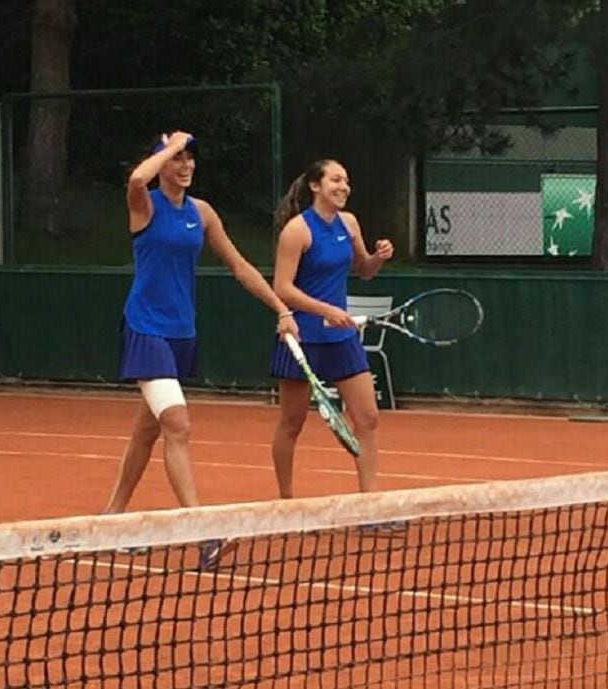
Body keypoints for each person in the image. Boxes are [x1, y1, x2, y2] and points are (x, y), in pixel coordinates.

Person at [103, 130, 299, 568]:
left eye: (191, 159)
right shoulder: (145, 204)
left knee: (148, 430)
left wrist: (280, 307)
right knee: (177, 424)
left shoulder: (202, 213)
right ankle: (202, 531)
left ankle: (110, 520)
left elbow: (238, 265)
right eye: (178, 159)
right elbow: (136, 180)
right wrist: (169, 146)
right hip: (145, 328)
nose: (186, 165)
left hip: (180, 331)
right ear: (163, 163)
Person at [269, 159, 394, 502]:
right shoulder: (297, 230)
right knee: (291, 423)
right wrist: (325, 310)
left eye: (346, 181)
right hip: (302, 337)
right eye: (336, 180)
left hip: (341, 338)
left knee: (367, 418)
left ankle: (369, 506)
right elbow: (282, 287)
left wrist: (378, 257)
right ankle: (286, 503)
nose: (343, 187)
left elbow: (364, 270)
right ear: (315, 185)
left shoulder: (349, 223)